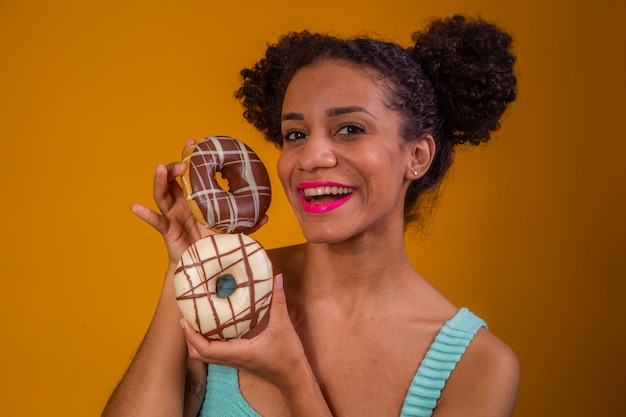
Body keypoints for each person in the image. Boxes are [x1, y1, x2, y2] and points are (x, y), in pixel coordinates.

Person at [102, 14, 519, 417]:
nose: (311, 158)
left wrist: (294, 380)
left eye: (350, 129)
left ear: (417, 155)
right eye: (296, 135)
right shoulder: (226, 292)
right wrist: (183, 270)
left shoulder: (477, 368)